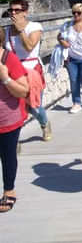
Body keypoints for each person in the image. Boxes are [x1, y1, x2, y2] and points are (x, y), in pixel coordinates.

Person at [3, 0, 52, 141]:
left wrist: (21, 30)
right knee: (15, 108)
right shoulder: (6, 31)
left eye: (17, 10)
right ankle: (14, 141)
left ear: (25, 12)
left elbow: (29, 46)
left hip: (32, 72)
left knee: (34, 106)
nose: (13, 13)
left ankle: (45, 124)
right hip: (14, 73)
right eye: (11, 10)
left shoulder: (35, 27)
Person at [0, 27, 29, 213]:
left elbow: (24, 90)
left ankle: (9, 190)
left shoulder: (8, 59)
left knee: (7, 156)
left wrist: (5, 78)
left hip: (7, 119)